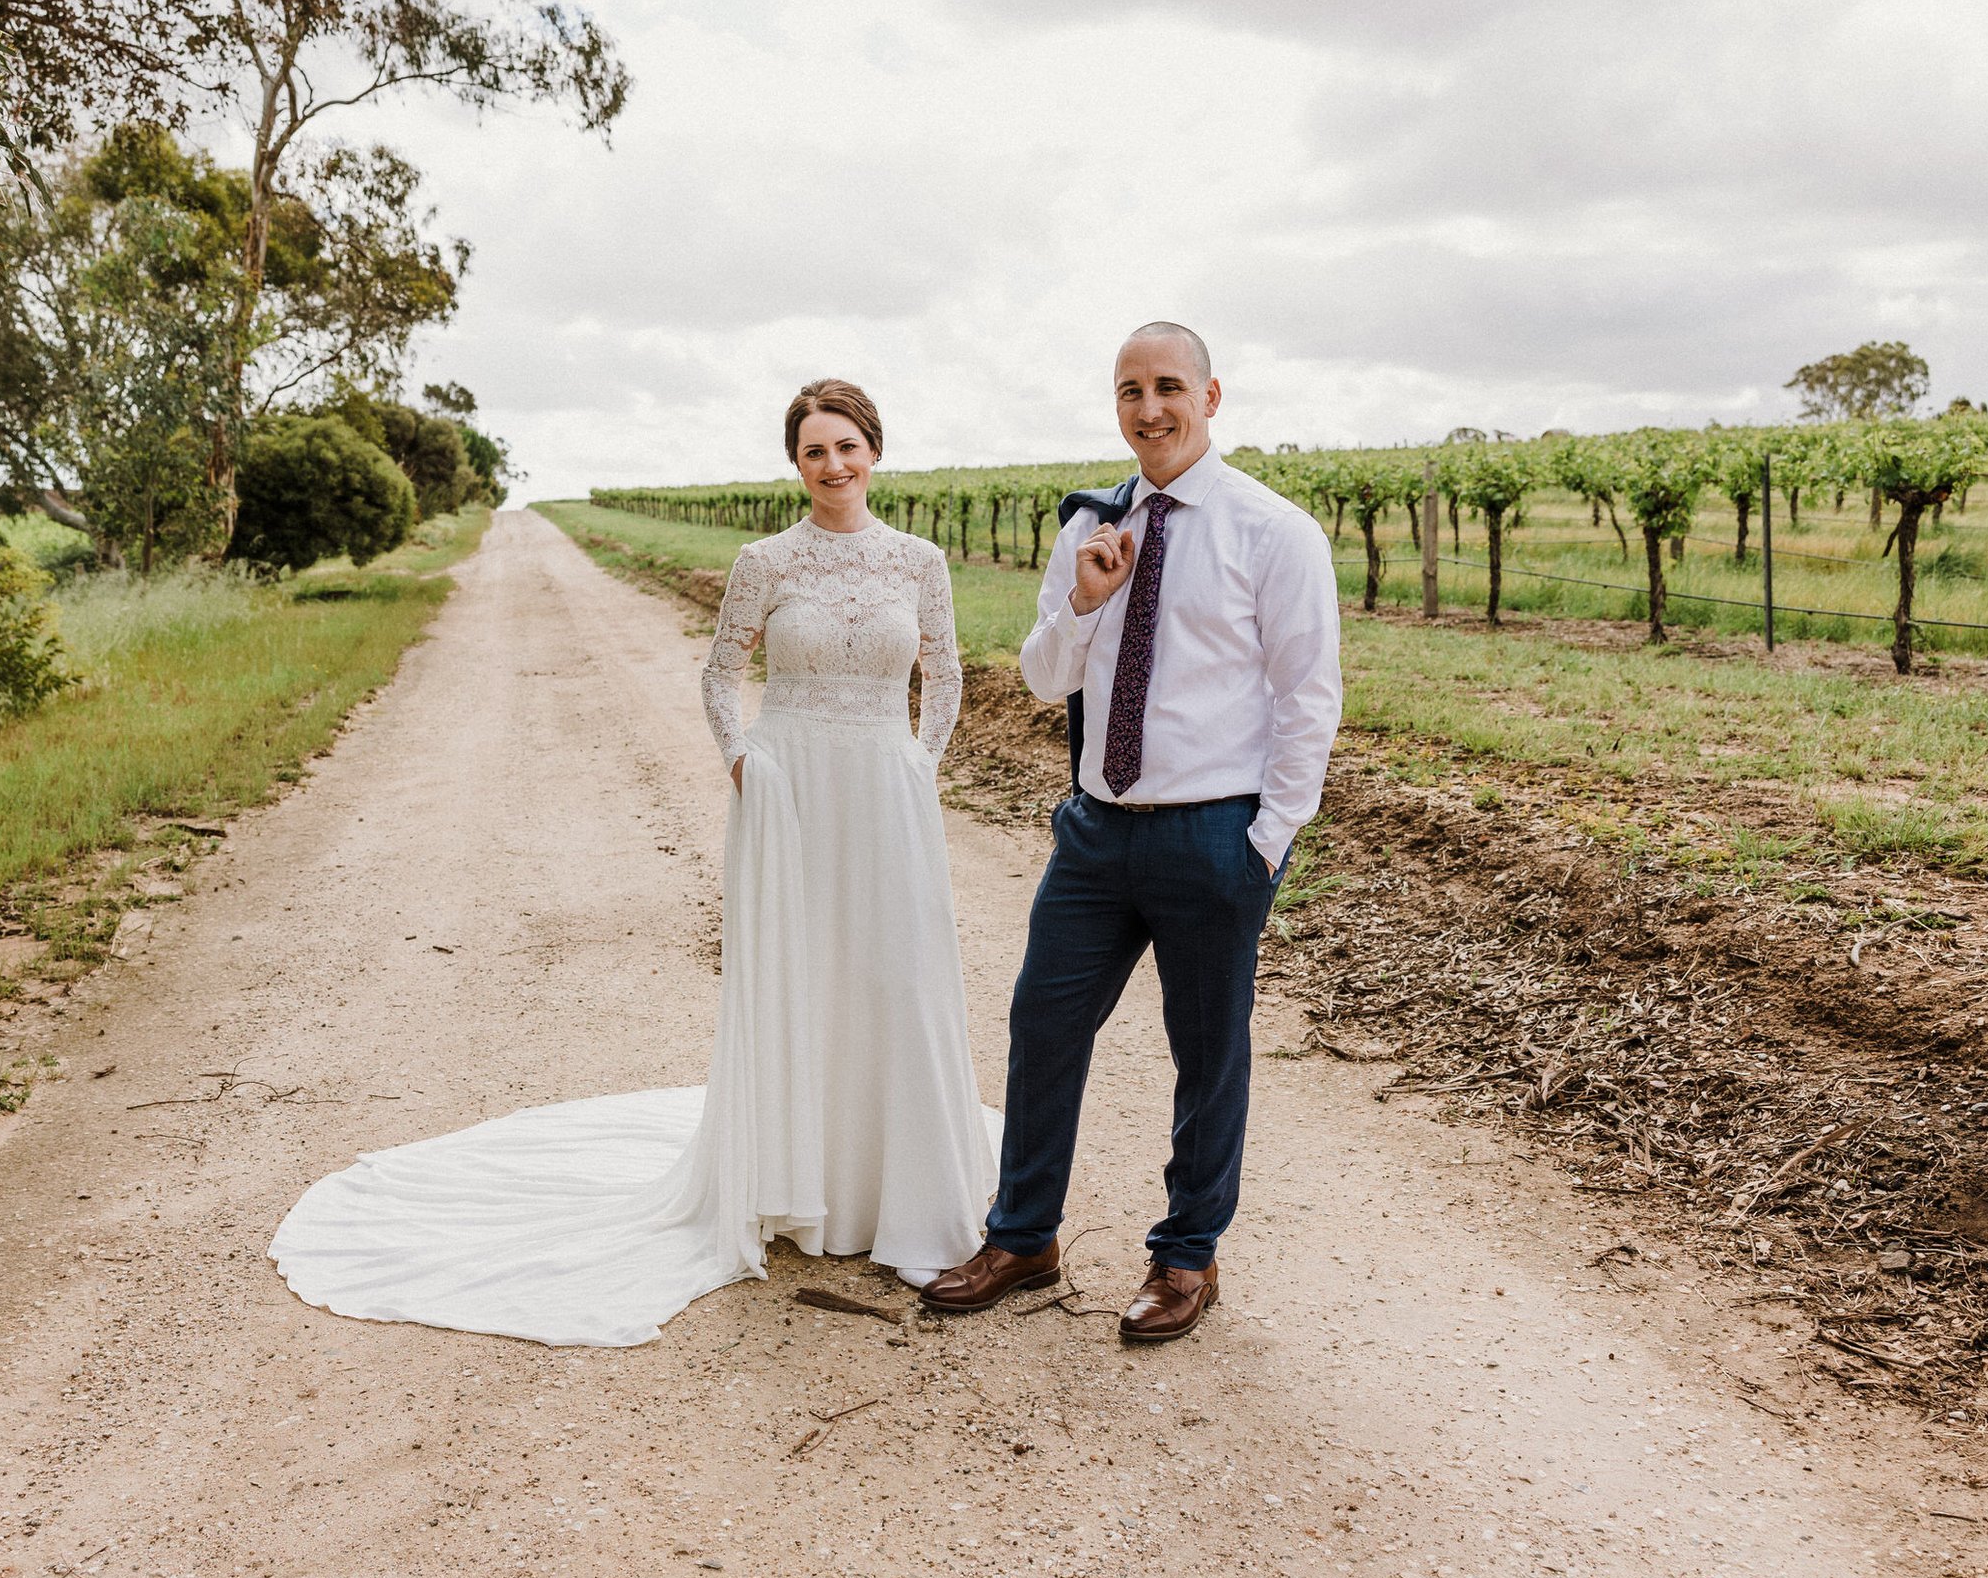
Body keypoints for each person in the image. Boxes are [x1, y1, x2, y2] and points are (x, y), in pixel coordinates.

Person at [270, 379, 998, 1346]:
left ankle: (902, 1200)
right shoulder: (764, 559)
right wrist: (742, 759)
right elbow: (718, 674)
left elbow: (943, 670)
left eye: (848, 446)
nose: (834, 465)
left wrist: (924, 760)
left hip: (885, 791)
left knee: (893, 978)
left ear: (876, 450)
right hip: (788, 793)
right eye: (815, 451)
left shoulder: (920, 560)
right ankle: (800, 1186)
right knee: (800, 976)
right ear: (797, 464)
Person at [918, 324, 1342, 1342]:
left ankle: (1185, 1255)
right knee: (1042, 1023)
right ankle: (1023, 1235)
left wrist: (1266, 840)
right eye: (1127, 390)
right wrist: (1082, 599)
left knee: (1206, 1053)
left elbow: (1308, 696)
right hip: (1094, 834)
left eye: (1166, 387)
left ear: (1210, 394)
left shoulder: (1271, 531)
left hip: (1213, 836)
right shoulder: (1090, 526)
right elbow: (1040, 676)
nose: (1147, 407)